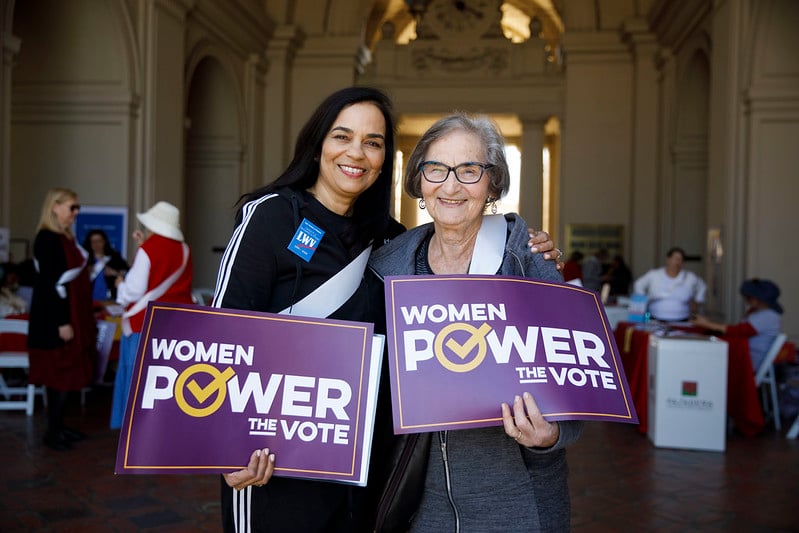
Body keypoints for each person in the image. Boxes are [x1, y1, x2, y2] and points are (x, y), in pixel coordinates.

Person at [211, 87, 563, 533]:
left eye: (373, 142)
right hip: (273, 457)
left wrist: (535, 249)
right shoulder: (272, 218)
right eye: (342, 136)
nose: (356, 153)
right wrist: (222, 448)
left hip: (363, 463)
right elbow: (220, 338)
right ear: (318, 143)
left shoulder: (390, 241)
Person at [368, 113, 583, 532]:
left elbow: (576, 387)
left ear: (493, 183)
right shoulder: (384, 269)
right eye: (436, 169)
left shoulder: (529, 261)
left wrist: (551, 437)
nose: (450, 186)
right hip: (417, 502)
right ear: (419, 179)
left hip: (516, 503)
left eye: (469, 170)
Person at [110, 201, 193, 429]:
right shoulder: (185, 249)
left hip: (143, 323)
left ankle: (133, 433)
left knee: (137, 381)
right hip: (176, 324)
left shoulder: (148, 249)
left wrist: (119, 285)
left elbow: (134, 291)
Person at [27, 188, 97, 451]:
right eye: (72, 207)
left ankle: (60, 426)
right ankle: (52, 431)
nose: (76, 213)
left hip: (72, 313)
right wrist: (62, 322)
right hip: (56, 318)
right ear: (55, 207)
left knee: (67, 374)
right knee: (57, 374)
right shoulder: (47, 238)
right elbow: (48, 284)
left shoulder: (66, 238)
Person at [691, 278, 783, 371]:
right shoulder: (757, 312)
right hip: (744, 352)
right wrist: (709, 324)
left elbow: (741, 331)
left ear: (760, 298)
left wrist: (708, 324)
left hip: (750, 358)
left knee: (709, 356)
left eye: (749, 297)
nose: (747, 299)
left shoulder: (769, 315)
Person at [633, 246, 706, 322]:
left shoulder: (690, 277)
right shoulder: (654, 275)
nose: (678, 262)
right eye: (676, 259)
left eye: (681, 260)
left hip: (683, 320)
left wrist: (698, 301)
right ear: (668, 259)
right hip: (655, 319)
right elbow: (638, 284)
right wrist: (644, 300)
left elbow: (702, 286)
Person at [81, 229, 129, 301]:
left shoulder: (115, 257)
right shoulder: (84, 259)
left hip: (111, 300)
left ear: (104, 242)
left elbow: (127, 273)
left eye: (99, 241)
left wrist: (114, 273)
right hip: (88, 300)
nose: (96, 244)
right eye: (93, 242)